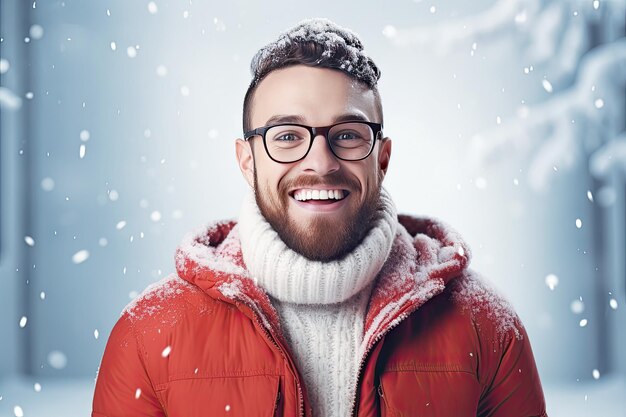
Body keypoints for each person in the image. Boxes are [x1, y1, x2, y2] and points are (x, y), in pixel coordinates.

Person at [92, 17, 548, 417]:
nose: (321, 162)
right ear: (247, 159)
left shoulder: (485, 325)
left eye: (347, 135)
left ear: (382, 158)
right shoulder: (147, 334)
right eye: (287, 135)